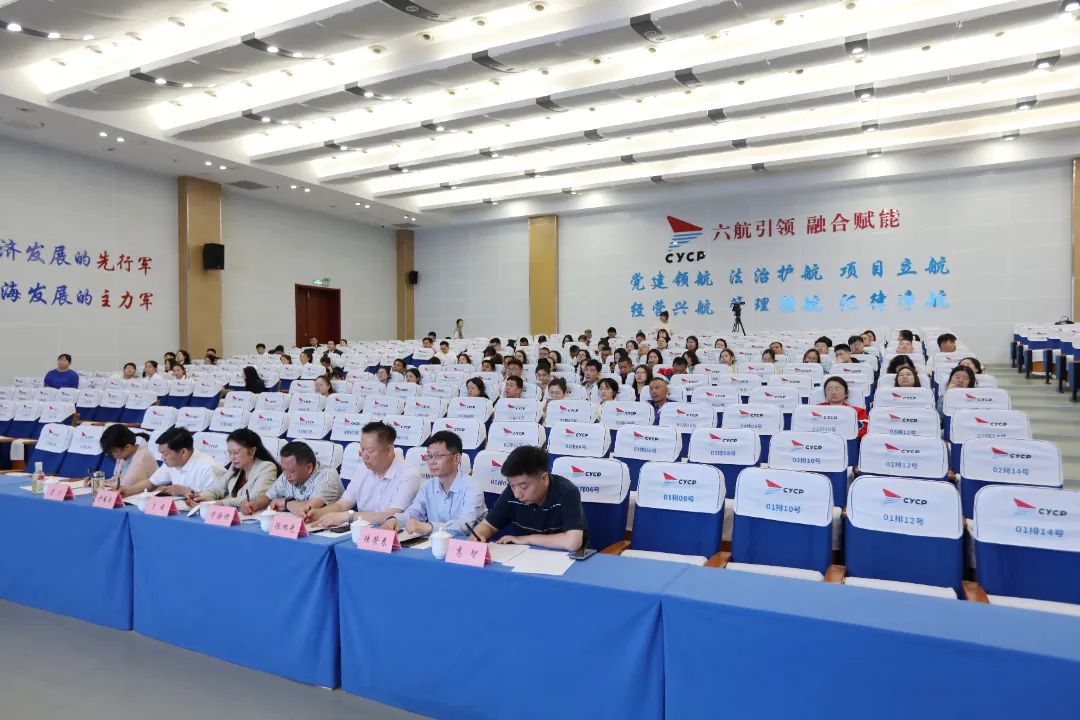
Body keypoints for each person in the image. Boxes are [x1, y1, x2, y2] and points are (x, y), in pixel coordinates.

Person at [471, 446, 586, 551]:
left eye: (523, 486)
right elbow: (488, 525)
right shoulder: (511, 492)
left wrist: (526, 539)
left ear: (544, 479)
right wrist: (478, 535)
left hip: (562, 560)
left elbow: (573, 542)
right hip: (524, 558)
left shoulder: (567, 492)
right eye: (512, 485)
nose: (517, 495)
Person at [310, 422, 421, 527]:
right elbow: (342, 505)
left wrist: (348, 516)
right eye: (362, 450)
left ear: (389, 450)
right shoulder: (362, 470)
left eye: (370, 451)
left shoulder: (409, 475)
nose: (364, 456)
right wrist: (318, 513)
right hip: (362, 531)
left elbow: (391, 515)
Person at [381, 431, 485, 536]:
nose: (431, 462)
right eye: (429, 456)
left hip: (465, 543)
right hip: (434, 543)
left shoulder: (472, 487)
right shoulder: (427, 486)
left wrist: (429, 527)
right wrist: (395, 520)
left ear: (456, 458)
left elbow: (466, 525)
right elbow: (414, 512)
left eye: (437, 456)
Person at [240, 441, 344, 517]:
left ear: (308, 468)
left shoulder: (327, 476)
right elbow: (268, 497)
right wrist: (254, 505)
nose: (286, 475)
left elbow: (308, 510)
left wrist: (286, 503)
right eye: (283, 469)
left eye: (292, 471)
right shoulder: (287, 473)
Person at [121, 426, 227, 498]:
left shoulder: (208, 468)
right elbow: (151, 482)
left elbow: (217, 500)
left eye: (165, 454)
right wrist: (127, 491)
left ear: (183, 452)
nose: (162, 458)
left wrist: (186, 492)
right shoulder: (173, 462)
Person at [191, 429, 280, 508]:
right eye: (230, 453)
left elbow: (256, 497)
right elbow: (217, 489)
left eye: (236, 452)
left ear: (252, 451)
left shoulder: (267, 467)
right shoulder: (234, 466)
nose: (232, 458)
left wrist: (222, 503)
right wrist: (202, 497)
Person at [97, 424, 157, 492]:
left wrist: (100, 483)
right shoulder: (124, 454)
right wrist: (97, 482)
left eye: (113, 451)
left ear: (127, 447)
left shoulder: (142, 456)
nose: (111, 454)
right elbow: (117, 479)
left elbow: (125, 484)